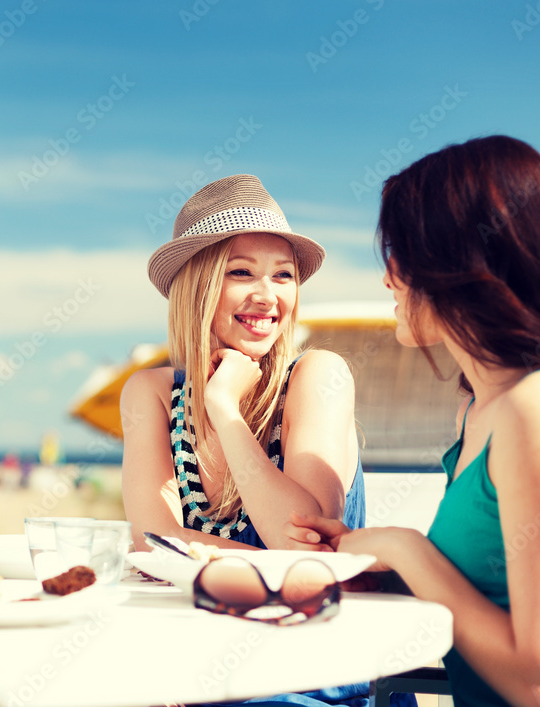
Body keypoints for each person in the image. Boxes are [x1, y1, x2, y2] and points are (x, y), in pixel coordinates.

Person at [289, 136, 540, 706]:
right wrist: (376, 564)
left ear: (454, 260)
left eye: (398, 249)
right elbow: (491, 595)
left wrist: (406, 549)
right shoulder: (482, 408)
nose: (387, 277)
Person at [123, 174, 384, 707]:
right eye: (241, 272)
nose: (268, 296)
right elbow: (149, 541)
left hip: (308, 677)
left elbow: (298, 543)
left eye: (283, 276)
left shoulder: (318, 377)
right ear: (196, 287)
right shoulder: (150, 392)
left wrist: (225, 411)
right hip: (198, 669)